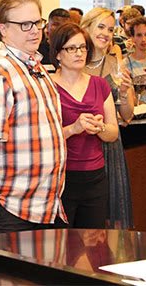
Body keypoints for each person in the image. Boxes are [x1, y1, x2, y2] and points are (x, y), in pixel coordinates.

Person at [0, 0, 67, 237]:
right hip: (5, 206)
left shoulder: (34, 66)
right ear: (3, 29)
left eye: (38, 23)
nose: (34, 30)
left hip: (40, 204)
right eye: (24, 24)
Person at [50, 23, 118, 228]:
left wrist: (100, 128)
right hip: (61, 177)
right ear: (58, 54)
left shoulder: (99, 84)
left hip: (95, 176)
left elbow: (113, 132)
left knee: (93, 244)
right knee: (61, 246)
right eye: (71, 48)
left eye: (83, 47)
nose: (79, 53)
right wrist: (73, 129)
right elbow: (43, 138)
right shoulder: (47, 87)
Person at [80, 7, 135, 229]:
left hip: (109, 146)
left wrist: (123, 93)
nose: (106, 33)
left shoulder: (117, 65)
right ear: (86, 28)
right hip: (79, 145)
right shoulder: (72, 62)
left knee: (109, 216)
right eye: (101, 27)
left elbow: (127, 115)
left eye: (111, 29)